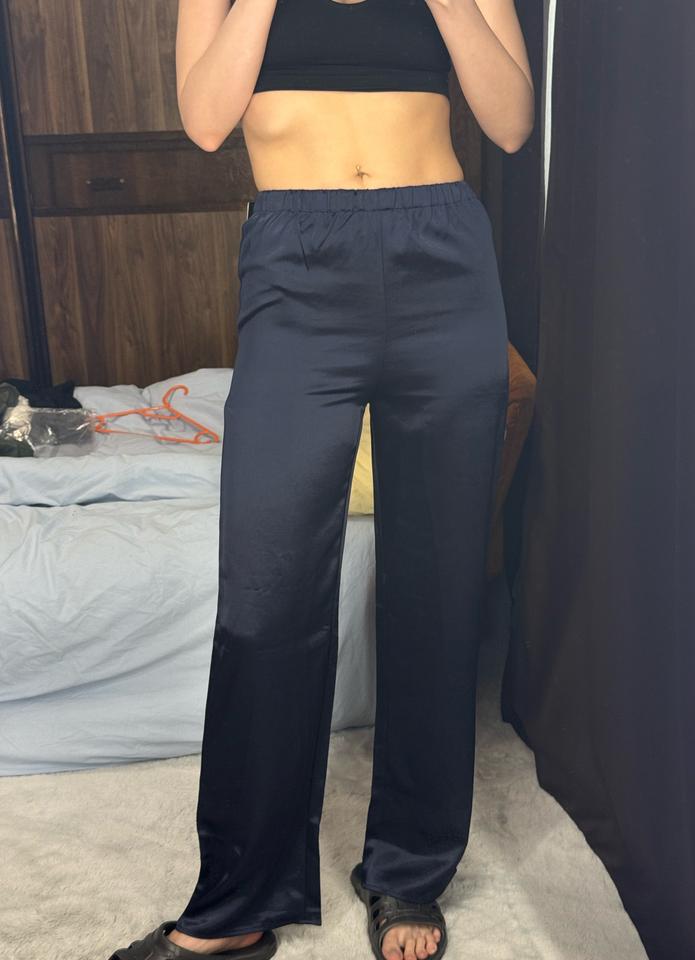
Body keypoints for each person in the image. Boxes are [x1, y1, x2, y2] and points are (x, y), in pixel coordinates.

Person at [109, 1, 533, 958]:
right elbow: (206, 120)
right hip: (298, 268)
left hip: (444, 261)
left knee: (437, 586)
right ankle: (239, 902)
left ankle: (408, 870)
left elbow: (510, 121)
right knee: (265, 593)